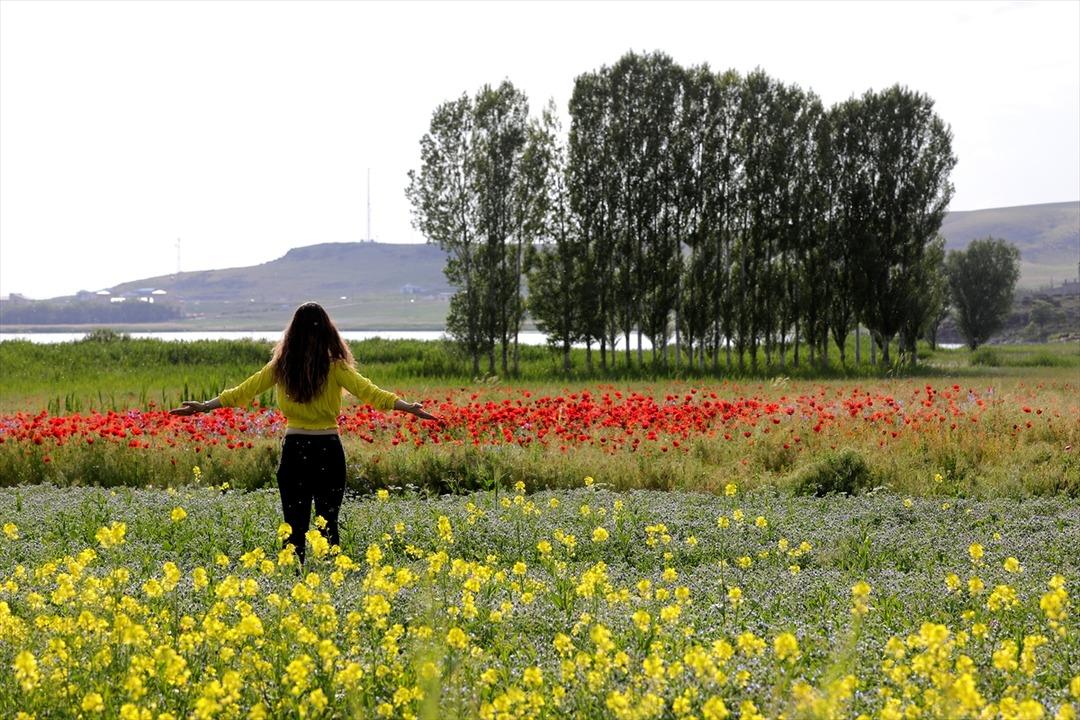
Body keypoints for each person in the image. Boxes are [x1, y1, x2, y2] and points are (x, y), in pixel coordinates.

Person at [170, 301, 437, 563]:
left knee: (294, 526)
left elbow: (243, 391)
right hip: (328, 451)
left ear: (293, 332)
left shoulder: (282, 367)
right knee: (328, 524)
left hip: (295, 451)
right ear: (327, 332)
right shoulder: (336, 367)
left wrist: (204, 407)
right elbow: (371, 392)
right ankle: (332, 582)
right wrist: (408, 407)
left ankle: (294, 578)